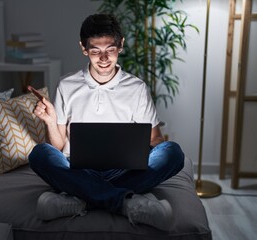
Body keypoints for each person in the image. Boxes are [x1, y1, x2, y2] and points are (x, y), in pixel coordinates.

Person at [28, 13, 184, 231]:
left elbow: (155, 138)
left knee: (173, 152)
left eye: (110, 50)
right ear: (84, 48)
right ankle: (127, 203)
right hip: (78, 168)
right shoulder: (66, 85)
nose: (103, 58)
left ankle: (80, 197)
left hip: (123, 170)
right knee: (40, 154)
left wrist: (150, 153)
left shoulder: (137, 88)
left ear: (120, 46)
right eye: (95, 51)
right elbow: (58, 147)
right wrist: (51, 121)